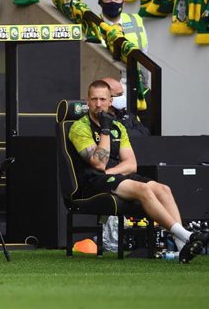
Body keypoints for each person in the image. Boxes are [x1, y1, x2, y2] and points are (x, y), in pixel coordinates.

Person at [68, 79, 209, 263]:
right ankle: (189, 236)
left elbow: (131, 164)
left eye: (103, 99)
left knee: (163, 189)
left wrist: (113, 171)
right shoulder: (79, 128)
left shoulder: (118, 127)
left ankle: (182, 248)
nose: (98, 104)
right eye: (94, 99)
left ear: (110, 101)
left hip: (115, 177)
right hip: (93, 181)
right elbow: (98, 164)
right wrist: (104, 129)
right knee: (144, 190)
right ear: (87, 101)